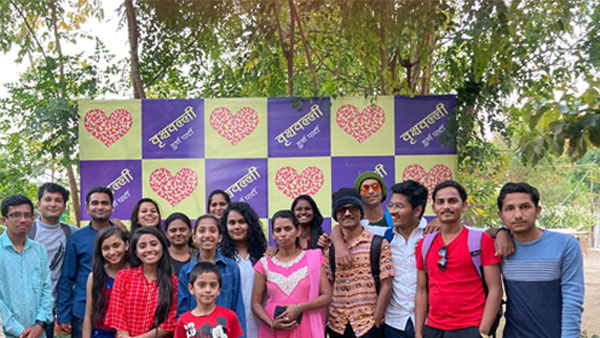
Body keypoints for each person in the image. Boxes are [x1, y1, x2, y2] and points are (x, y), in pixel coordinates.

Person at [415, 180, 502, 338]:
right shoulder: (424, 244)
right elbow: (421, 291)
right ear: (434, 208)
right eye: (440, 202)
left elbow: (495, 289)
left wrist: (482, 331)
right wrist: (419, 332)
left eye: (452, 201)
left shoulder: (481, 241)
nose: (446, 206)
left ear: (464, 206)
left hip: (470, 327)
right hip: (433, 328)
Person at [497, 182, 584, 338]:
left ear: (538, 211)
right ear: (500, 215)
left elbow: (572, 298)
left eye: (525, 207)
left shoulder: (565, 244)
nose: (517, 215)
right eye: (509, 209)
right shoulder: (499, 247)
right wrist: (499, 232)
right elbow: (463, 232)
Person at [325, 188, 394, 338]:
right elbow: (328, 285)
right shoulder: (330, 249)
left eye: (353, 208)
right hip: (338, 325)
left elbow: (386, 285)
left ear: (361, 212)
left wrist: (376, 321)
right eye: (342, 210)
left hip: (367, 325)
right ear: (336, 215)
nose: (348, 213)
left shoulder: (378, 243)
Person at [251, 210, 331, 338]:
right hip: (273, 329)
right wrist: (271, 323)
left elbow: (327, 296)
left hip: (305, 327)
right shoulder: (264, 264)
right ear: (273, 235)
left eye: (288, 229)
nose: (283, 234)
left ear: (298, 231)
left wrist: (299, 308)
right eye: (278, 230)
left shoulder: (313, 258)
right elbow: (255, 303)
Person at [57, 186, 116, 338]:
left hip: (118, 312)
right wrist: (63, 314)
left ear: (112, 207)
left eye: (105, 203)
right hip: (83, 312)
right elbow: (67, 277)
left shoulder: (121, 236)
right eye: (95, 203)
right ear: (88, 208)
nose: (100, 207)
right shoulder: (77, 238)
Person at [177, 214, 246, 335]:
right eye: (202, 231)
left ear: (219, 237)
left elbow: (238, 306)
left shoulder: (231, 267)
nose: (207, 235)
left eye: (212, 231)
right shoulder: (186, 271)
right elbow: (182, 310)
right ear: (194, 237)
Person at [105, 227, 178, 338]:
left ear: (163, 247)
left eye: (153, 244)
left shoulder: (174, 282)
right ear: (136, 252)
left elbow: (170, 323)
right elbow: (117, 314)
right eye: (142, 246)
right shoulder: (124, 277)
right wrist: (124, 335)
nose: (149, 250)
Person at [0, 194, 53, 338]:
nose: (23, 220)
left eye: (27, 215)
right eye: (16, 215)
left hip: (38, 333)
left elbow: (47, 289)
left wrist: (40, 325)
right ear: (4, 220)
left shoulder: (39, 250)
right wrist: (19, 330)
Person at [28, 183, 77, 338]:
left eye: (58, 200)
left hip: (52, 306)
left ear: (64, 206)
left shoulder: (71, 232)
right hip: (27, 306)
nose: (52, 204)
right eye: (48, 199)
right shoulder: (27, 231)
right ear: (39, 204)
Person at [220, 202, 267, 338]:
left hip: (261, 321)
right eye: (232, 223)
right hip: (229, 323)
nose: (237, 227)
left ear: (250, 224)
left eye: (242, 222)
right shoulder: (221, 257)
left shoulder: (263, 255)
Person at [174, 262, 243, 338]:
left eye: (213, 285)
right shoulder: (183, 321)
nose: (207, 290)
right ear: (191, 288)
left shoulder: (230, 316)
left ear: (219, 290)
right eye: (201, 285)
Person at [82, 227, 129, 338]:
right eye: (106, 248)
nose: (112, 252)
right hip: (101, 334)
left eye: (116, 246)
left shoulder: (137, 273)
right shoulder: (95, 276)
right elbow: (88, 316)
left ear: (126, 245)